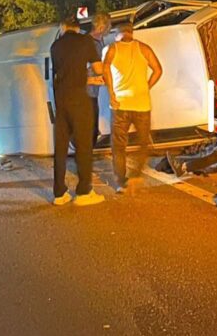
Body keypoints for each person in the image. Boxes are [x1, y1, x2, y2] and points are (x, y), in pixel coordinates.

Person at [50, 17, 104, 206]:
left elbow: (62, 74)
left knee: (60, 148)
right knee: (83, 146)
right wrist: (90, 75)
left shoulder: (55, 46)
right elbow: (98, 69)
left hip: (61, 101)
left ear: (63, 27)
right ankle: (83, 192)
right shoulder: (86, 41)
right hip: (80, 100)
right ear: (78, 28)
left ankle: (59, 193)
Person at [103, 21, 162, 192]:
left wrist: (111, 93)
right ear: (131, 32)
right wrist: (147, 87)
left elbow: (105, 70)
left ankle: (121, 182)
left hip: (120, 104)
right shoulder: (144, 48)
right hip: (141, 104)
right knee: (143, 143)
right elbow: (158, 70)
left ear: (117, 33)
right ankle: (136, 174)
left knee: (119, 146)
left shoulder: (112, 49)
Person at [86, 13, 112, 146]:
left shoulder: (94, 41)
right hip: (88, 91)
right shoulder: (92, 44)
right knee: (91, 128)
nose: (109, 29)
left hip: (91, 91)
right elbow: (99, 69)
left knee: (92, 127)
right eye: (108, 26)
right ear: (101, 27)